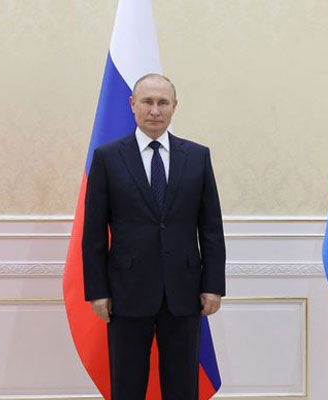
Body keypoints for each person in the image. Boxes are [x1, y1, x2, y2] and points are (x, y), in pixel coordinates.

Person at [82, 73, 226, 400]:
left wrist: (213, 285)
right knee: (128, 384)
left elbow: (211, 229)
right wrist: (97, 291)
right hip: (126, 293)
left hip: (184, 293)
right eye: (147, 101)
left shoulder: (198, 157)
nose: (155, 110)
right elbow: (93, 234)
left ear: (175, 107)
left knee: (182, 386)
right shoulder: (108, 158)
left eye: (163, 103)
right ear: (132, 105)